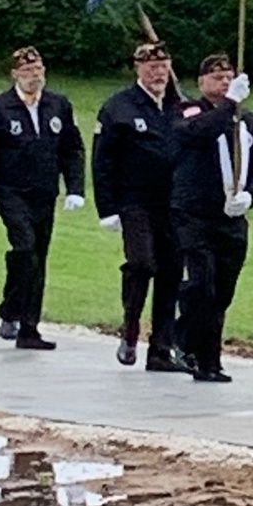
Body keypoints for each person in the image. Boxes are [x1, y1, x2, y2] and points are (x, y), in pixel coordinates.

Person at [0, 46, 85, 351]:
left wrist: (75, 188)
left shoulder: (58, 105)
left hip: (44, 192)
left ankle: (26, 325)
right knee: (25, 248)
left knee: (39, 257)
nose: (34, 77)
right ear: (15, 75)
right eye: (27, 72)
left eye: (38, 71)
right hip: (11, 191)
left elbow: (72, 149)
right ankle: (12, 310)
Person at [92, 41, 186, 371]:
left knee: (172, 270)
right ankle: (130, 328)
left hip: (173, 203)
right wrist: (107, 208)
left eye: (163, 66)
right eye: (151, 67)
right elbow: (103, 161)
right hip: (134, 201)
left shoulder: (179, 106)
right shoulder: (120, 107)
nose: (158, 73)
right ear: (138, 69)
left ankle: (161, 347)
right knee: (143, 263)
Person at [172, 53, 253, 383]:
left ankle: (209, 357)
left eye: (228, 78)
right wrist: (228, 104)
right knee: (202, 283)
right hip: (194, 214)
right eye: (217, 78)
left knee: (222, 290)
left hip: (232, 217)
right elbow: (198, 134)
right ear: (201, 83)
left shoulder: (246, 120)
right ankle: (191, 345)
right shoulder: (191, 110)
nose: (224, 83)